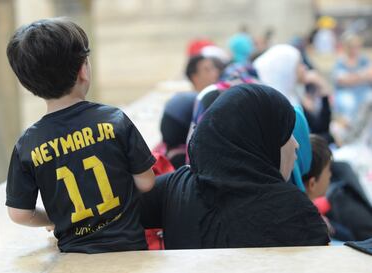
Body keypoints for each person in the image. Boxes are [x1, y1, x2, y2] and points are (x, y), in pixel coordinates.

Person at [5, 18, 156, 253]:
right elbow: (146, 182)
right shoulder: (113, 119)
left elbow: (20, 214)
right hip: (130, 251)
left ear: (28, 84)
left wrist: (55, 218)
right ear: (83, 70)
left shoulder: (28, 144)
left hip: (73, 259)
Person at [141, 84, 329, 249]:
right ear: (259, 140)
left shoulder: (177, 187)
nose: (295, 144)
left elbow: (118, 210)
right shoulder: (293, 212)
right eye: (285, 133)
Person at [332, 33, 372, 122]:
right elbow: (342, 80)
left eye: (357, 46)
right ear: (346, 47)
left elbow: (370, 75)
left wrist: (353, 77)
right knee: (348, 103)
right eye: (352, 46)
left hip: (364, 90)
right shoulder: (341, 61)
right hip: (346, 92)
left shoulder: (364, 60)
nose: (355, 49)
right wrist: (362, 75)